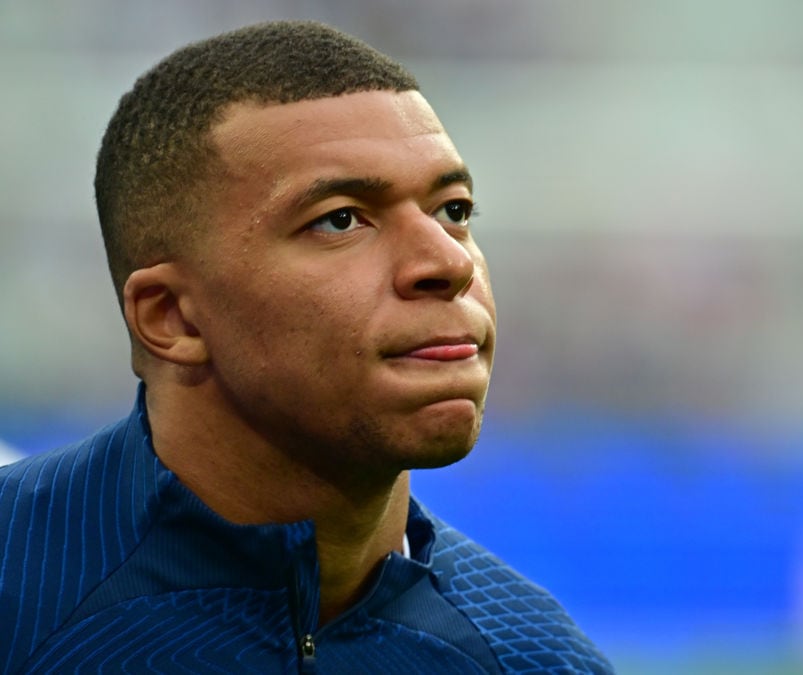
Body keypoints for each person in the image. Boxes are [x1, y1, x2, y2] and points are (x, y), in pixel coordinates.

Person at [0, 20, 613, 674]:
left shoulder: (534, 658)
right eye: (341, 219)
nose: (448, 262)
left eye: (453, 210)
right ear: (172, 316)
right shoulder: (18, 590)